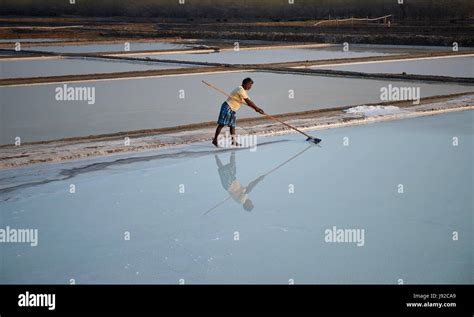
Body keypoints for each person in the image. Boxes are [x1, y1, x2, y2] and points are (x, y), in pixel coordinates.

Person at [212, 78, 264, 147]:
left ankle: (233, 142)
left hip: (233, 110)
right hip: (227, 107)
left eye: (251, 86)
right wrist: (256, 108)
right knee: (222, 124)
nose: (250, 87)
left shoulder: (244, 92)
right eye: (249, 85)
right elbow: (248, 101)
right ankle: (215, 140)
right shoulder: (240, 89)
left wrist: (257, 108)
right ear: (244, 84)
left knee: (232, 126)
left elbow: (249, 102)